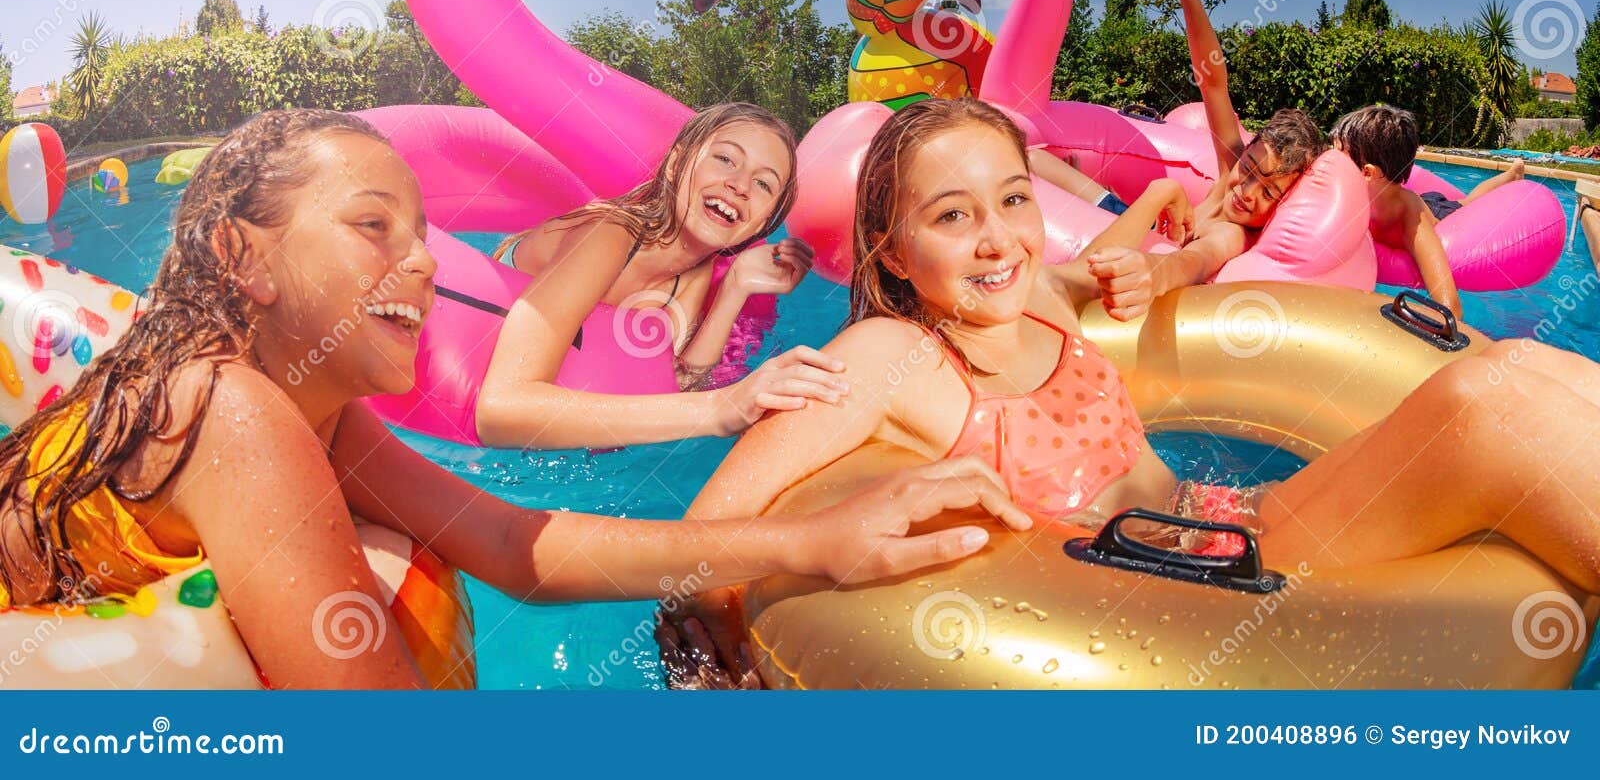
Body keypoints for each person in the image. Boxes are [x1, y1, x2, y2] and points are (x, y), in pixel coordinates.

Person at [0, 109, 1035, 689]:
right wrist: (722, 418)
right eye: (374, 227)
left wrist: (808, 540)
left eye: (420, 230)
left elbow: (508, 541)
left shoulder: (317, 411)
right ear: (242, 255)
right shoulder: (234, 411)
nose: (418, 264)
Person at [668, 98, 1600, 685]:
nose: (997, 237)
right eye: (952, 215)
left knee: (1511, 370)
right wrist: (726, 664)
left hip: (1232, 520)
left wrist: (1138, 272)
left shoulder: (1034, 297)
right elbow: (699, 541)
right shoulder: (888, 353)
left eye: (1015, 199)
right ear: (893, 250)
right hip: (1200, 588)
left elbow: (1116, 267)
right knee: (1487, 412)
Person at [479, 102, 843, 449]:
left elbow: (684, 385)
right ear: (677, 164)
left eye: (764, 184)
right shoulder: (608, 234)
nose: (740, 185)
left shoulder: (691, 276)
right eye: (725, 159)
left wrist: (736, 286)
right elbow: (501, 409)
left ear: (764, 222)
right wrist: (719, 410)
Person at [1100, 0, 1326, 305]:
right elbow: (1213, 83)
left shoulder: (1233, 235)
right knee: (1039, 159)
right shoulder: (1231, 171)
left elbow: (1195, 260)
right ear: (1247, 151)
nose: (1247, 191)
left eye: (1268, 192)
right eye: (1250, 168)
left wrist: (1155, 273)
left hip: (1144, 248)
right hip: (1133, 219)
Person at [1331, 104, 1524, 319]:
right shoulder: (1347, 199)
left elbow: (1451, 308)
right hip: (1410, 198)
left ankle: (1512, 174)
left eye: (1336, 158)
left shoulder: (1411, 219)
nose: (1328, 165)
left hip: (1437, 211)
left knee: (1466, 203)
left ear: (1367, 173)